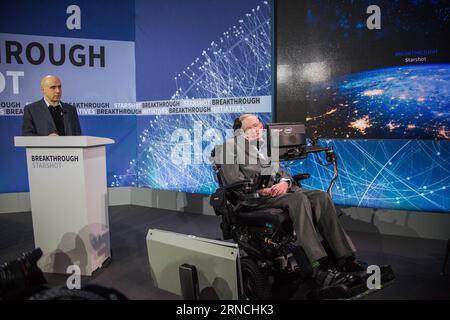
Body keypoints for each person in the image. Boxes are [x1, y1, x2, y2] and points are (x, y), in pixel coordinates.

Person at [216, 114, 366, 287]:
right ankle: (317, 265)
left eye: (258, 125)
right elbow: (233, 183)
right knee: (298, 200)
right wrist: (263, 190)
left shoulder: (264, 146)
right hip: (256, 198)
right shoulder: (228, 148)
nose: (257, 129)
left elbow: (281, 172)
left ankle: (344, 258)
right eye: (250, 127)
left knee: (321, 197)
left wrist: (284, 183)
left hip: (281, 191)